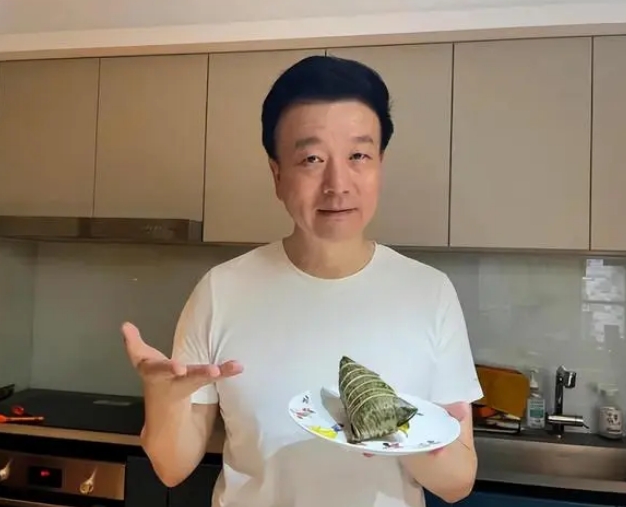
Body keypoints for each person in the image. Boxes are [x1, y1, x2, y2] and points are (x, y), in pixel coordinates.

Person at [122, 55, 483, 507]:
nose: (338, 183)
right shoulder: (221, 291)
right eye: (312, 159)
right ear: (277, 175)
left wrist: (401, 436)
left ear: (380, 163)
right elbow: (171, 468)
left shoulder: (429, 293)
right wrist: (162, 399)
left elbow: (457, 483)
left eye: (358, 155)